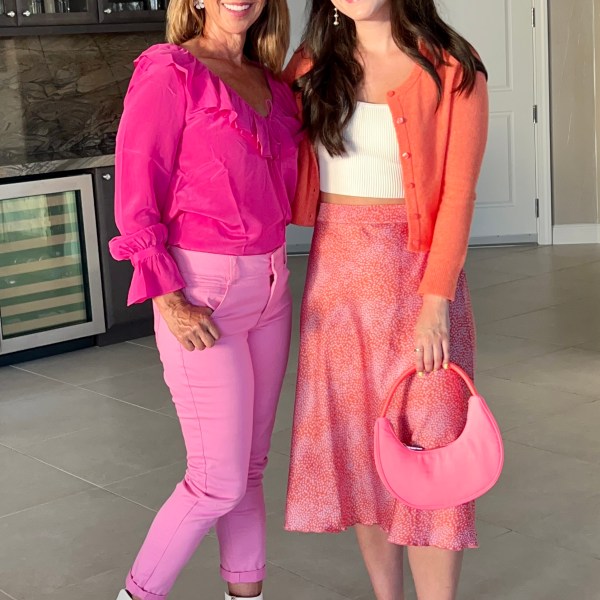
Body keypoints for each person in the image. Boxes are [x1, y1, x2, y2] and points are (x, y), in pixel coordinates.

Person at [284, 1, 489, 599]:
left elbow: (458, 194)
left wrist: (435, 302)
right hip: (338, 284)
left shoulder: (453, 67)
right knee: (362, 450)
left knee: (432, 450)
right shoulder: (310, 66)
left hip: (419, 284)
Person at [108, 1, 300, 599]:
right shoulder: (170, 70)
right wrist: (169, 299)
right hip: (204, 293)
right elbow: (136, 186)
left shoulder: (273, 84)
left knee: (249, 470)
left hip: (272, 288)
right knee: (216, 481)